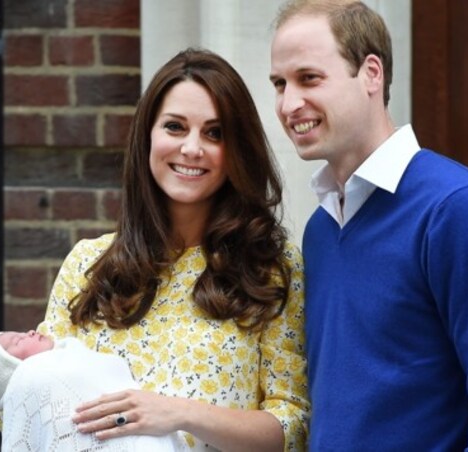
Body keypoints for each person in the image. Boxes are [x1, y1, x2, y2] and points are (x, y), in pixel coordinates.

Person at [268, 0, 468, 450]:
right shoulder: (321, 230)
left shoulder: (459, 209)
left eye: (309, 78)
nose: (289, 103)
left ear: (371, 74)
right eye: (280, 83)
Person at [36, 48, 308, 452]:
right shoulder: (87, 264)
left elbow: (292, 425)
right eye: (175, 127)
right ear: (148, 134)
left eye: (214, 133)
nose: (192, 148)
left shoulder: (272, 269)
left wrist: (181, 413)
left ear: (237, 151)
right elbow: (30, 402)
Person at [0, 330, 185, 451]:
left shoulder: (80, 358)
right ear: (12, 372)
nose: (30, 332)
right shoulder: (35, 377)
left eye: (20, 332)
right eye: (17, 341)